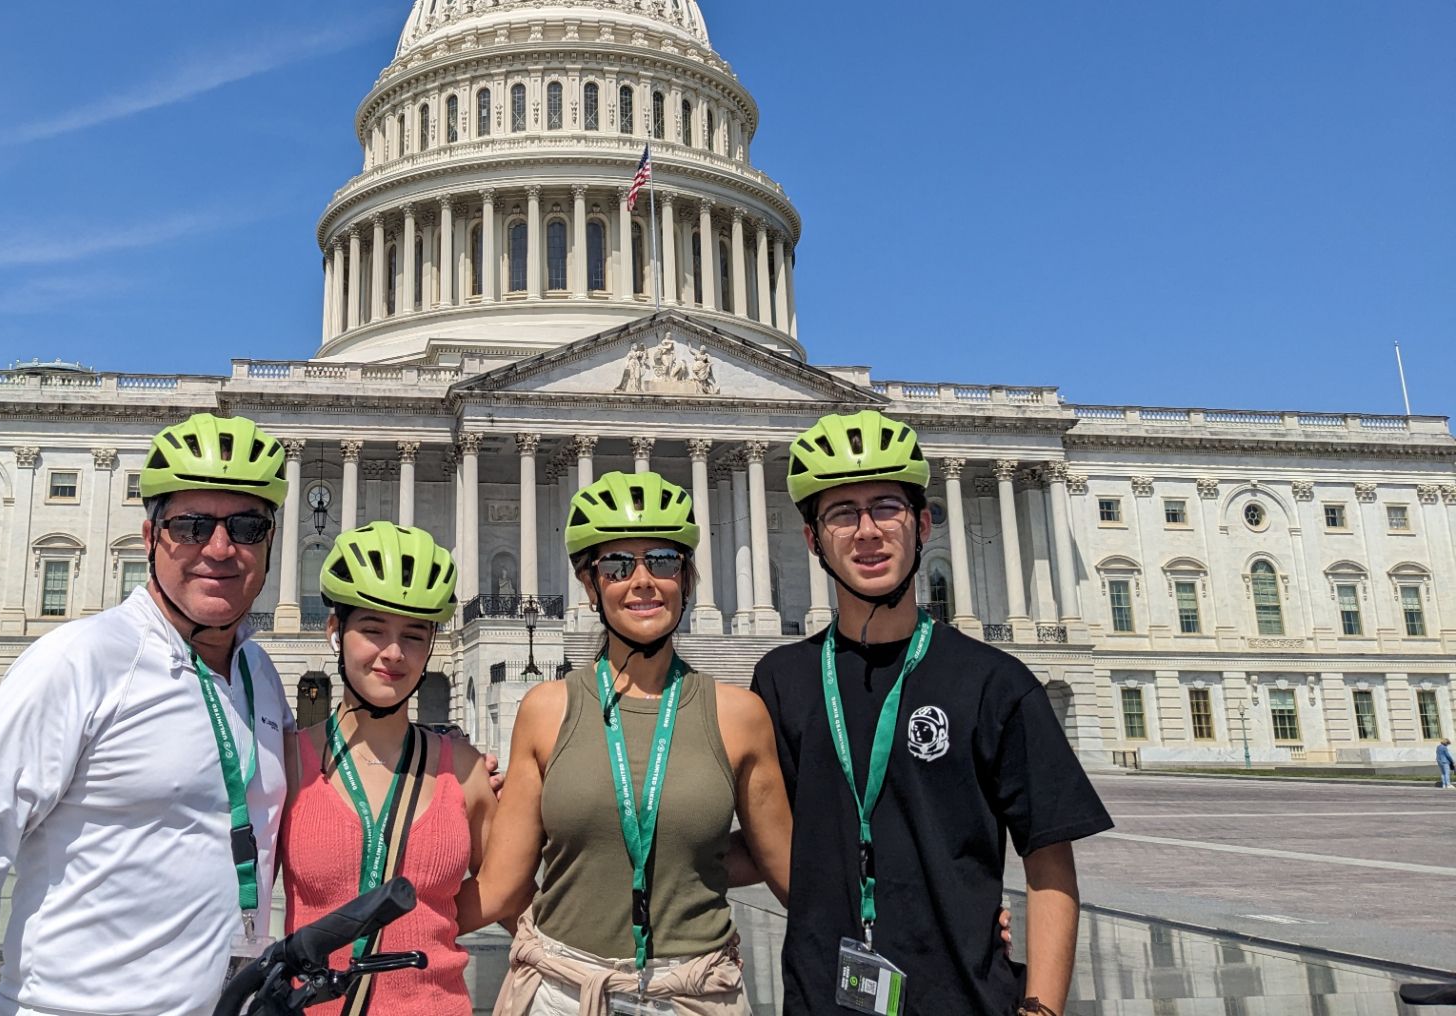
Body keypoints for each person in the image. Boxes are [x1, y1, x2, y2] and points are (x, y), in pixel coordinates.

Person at [0, 414, 294, 1016]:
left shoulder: (261, 676)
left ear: (270, 542)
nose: (220, 549)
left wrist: (455, 774)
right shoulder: (79, 660)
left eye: (247, 526)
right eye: (192, 526)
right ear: (150, 537)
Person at [748, 410, 1113, 1016]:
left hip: (962, 998)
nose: (867, 531)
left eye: (886, 508)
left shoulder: (995, 682)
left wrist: (1042, 1008)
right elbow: (762, 837)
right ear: (813, 539)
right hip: (822, 999)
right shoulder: (781, 681)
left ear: (922, 524)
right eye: (842, 513)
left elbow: (1049, 860)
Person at [476, 471, 796, 1016]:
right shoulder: (546, 709)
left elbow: (788, 867)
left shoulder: (740, 715)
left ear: (688, 578)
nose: (642, 581)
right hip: (565, 991)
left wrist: (953, 917)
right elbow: (504, 882)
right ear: (589, 583)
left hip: (697, 992)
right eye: (618, 565)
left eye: (663, 561)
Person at [281, 521, 500, 1016]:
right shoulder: (287, 763)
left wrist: (428, 919)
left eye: (414, 635)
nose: (394, 653)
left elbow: (507, 891)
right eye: (373, 630)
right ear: (335, 631)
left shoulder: (465, 770)